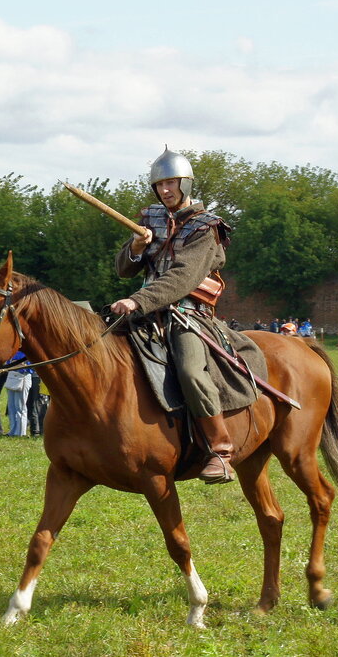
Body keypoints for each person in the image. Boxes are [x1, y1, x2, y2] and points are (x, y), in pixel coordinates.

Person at [110, 147, 237, 483]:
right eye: (160, 184)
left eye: (171, 183)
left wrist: (138, 301)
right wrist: (135, 249)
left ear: (186, 184)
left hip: (187, 313)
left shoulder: (205, 227)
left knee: (190, 370)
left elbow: (183, 276)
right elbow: (122, 269)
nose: (165, 190)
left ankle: (220, 451)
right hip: (144, 312)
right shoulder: (148, 217)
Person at [5, 352, 33, 437]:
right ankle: (12, 431)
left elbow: (30, 366)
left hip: (23, 377)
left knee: (20, 407)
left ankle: (20, 432)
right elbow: (8, 363)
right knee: (11, 406)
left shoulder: (28, 352)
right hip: (12, 376)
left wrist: (20, 364)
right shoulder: (14, 351)